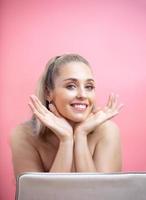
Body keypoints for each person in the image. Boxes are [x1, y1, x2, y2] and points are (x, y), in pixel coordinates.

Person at [10, 53, 123, 178]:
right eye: (71, 86)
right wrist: (66, 140)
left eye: (89, 87)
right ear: (49, 93)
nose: (82, 95)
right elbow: (39, 196)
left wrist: (81, 135)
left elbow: (101, 195)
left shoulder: (107, 131)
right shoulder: (24, 135)